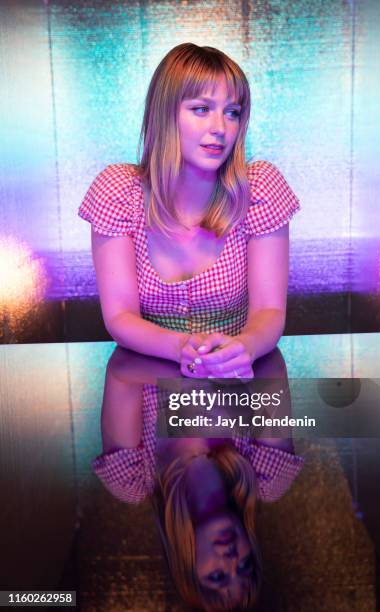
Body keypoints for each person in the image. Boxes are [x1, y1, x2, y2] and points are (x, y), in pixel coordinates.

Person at [78, 43, 300, 380]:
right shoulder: (119, 191)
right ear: (165, 113)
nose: (220, 128)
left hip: (237, 383)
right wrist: (179, 346)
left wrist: (247, 347)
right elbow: (120, 316)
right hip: (148, 380)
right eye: (201, 109)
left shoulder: (259, 189)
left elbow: (269, 311)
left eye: (232, 112)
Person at [94, 347, 304, 610]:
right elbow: (273, 363)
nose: (232, 558)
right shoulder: (268, 475)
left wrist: (191, 380)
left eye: (217, 576)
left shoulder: (131, 477)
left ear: (185, 565)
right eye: (245, 566)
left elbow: (120, 366)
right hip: (231, 314)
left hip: (152, 315)